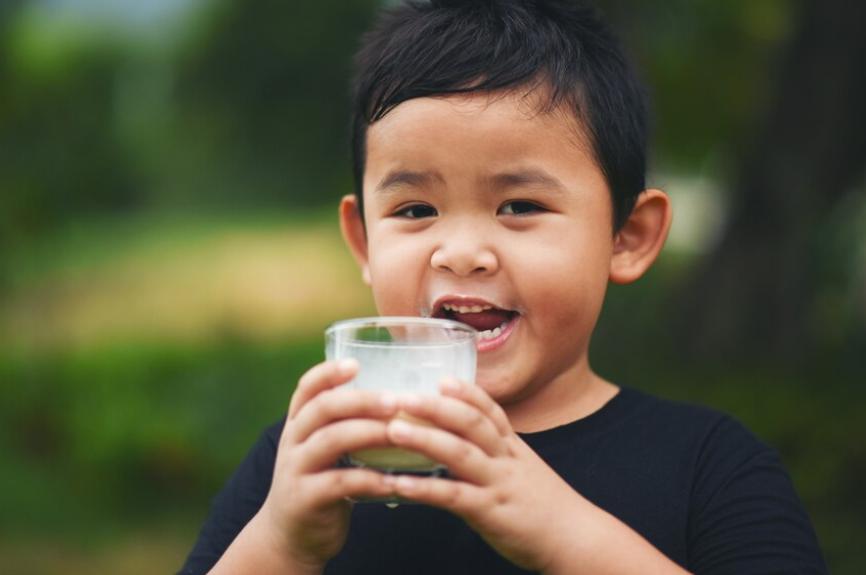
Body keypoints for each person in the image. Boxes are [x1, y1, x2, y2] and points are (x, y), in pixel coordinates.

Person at [177, 1, 827, 573]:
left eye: (518, 205)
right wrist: (283, 544)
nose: (461, 253)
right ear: (364, 242)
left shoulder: (711, 469)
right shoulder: (305, 463)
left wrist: (565, 534)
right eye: (414, 210)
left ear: (626, 235)